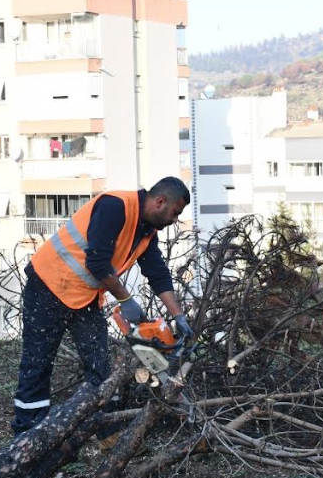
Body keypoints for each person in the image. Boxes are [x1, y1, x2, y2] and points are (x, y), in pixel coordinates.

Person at [11, 176, 192, 435]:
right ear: (160, 201)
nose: (174, 220)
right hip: (48, 285)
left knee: (100, 366)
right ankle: (27, 436)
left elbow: (157, 273)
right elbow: (97, 262)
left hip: (83, 297)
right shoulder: (115, 206)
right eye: (175, 213)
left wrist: (179, 316)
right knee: (38, 363)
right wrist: (126, 300)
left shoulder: (147, 232)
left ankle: (107, 431)